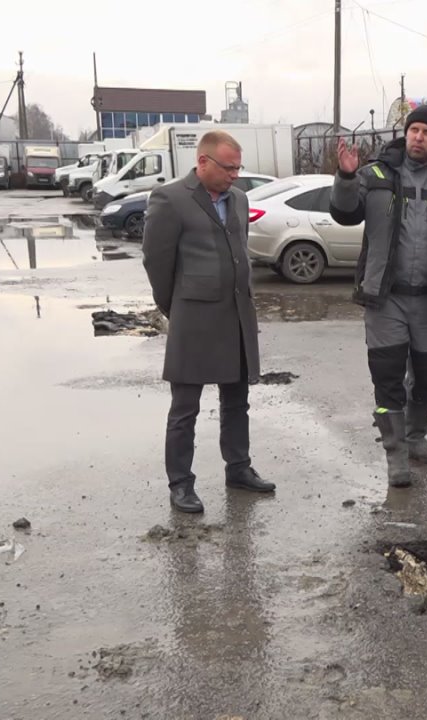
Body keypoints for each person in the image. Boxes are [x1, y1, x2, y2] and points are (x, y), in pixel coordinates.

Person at [330, 105, 427, 488]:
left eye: (426, 132)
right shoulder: (377, 174)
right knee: (388, 378)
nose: (418, 137)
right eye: (414, 130)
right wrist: (346, 177)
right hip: (386, 298)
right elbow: (344, 214)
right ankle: (396, 454)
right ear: (406, 133)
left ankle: (416, 438)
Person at [142, 130, 276, 513]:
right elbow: (156, 261)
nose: (235, 175)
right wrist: (176, 307)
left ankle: (239, 468)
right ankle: (181, 484)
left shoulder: (239, 199)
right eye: (228, 168)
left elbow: (239, 251)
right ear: (203, 162)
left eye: (238, 168)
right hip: (194, 319)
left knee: (237, 402)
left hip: (236, 316)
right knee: (185, 409)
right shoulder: (170, 199)